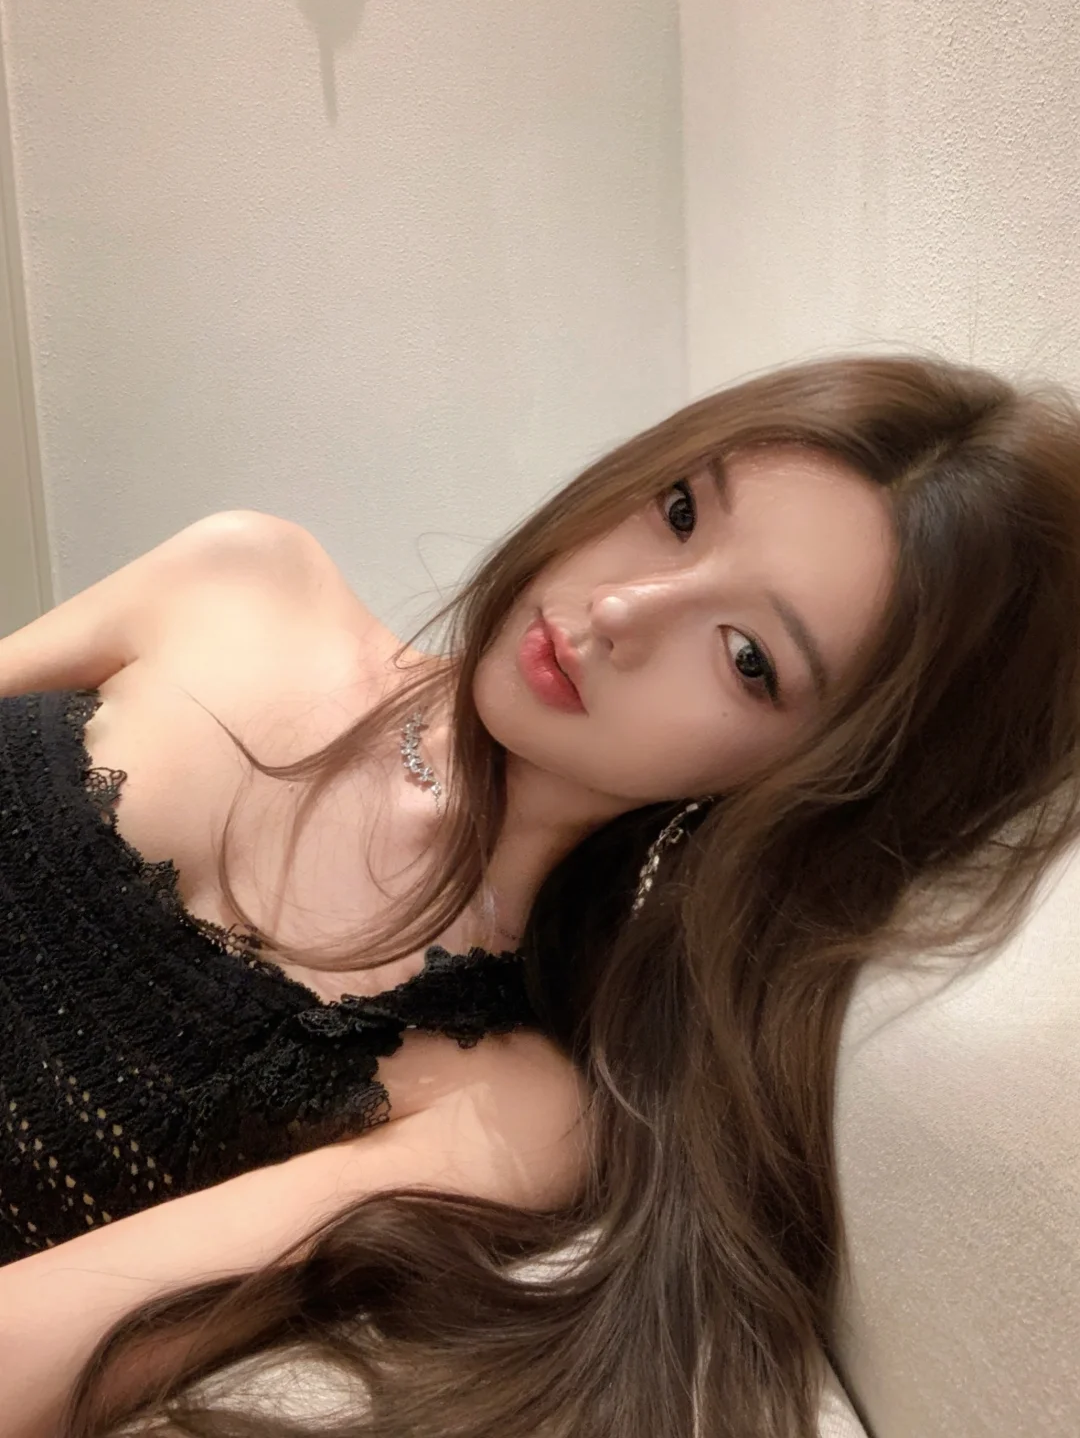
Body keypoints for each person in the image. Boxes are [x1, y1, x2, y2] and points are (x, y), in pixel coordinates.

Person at [2, 352, 1080, 1438]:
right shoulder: (242, 576)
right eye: (679, 511)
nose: (619, 608)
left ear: (809, 782)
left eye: (749, 658)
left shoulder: (512, 1111)